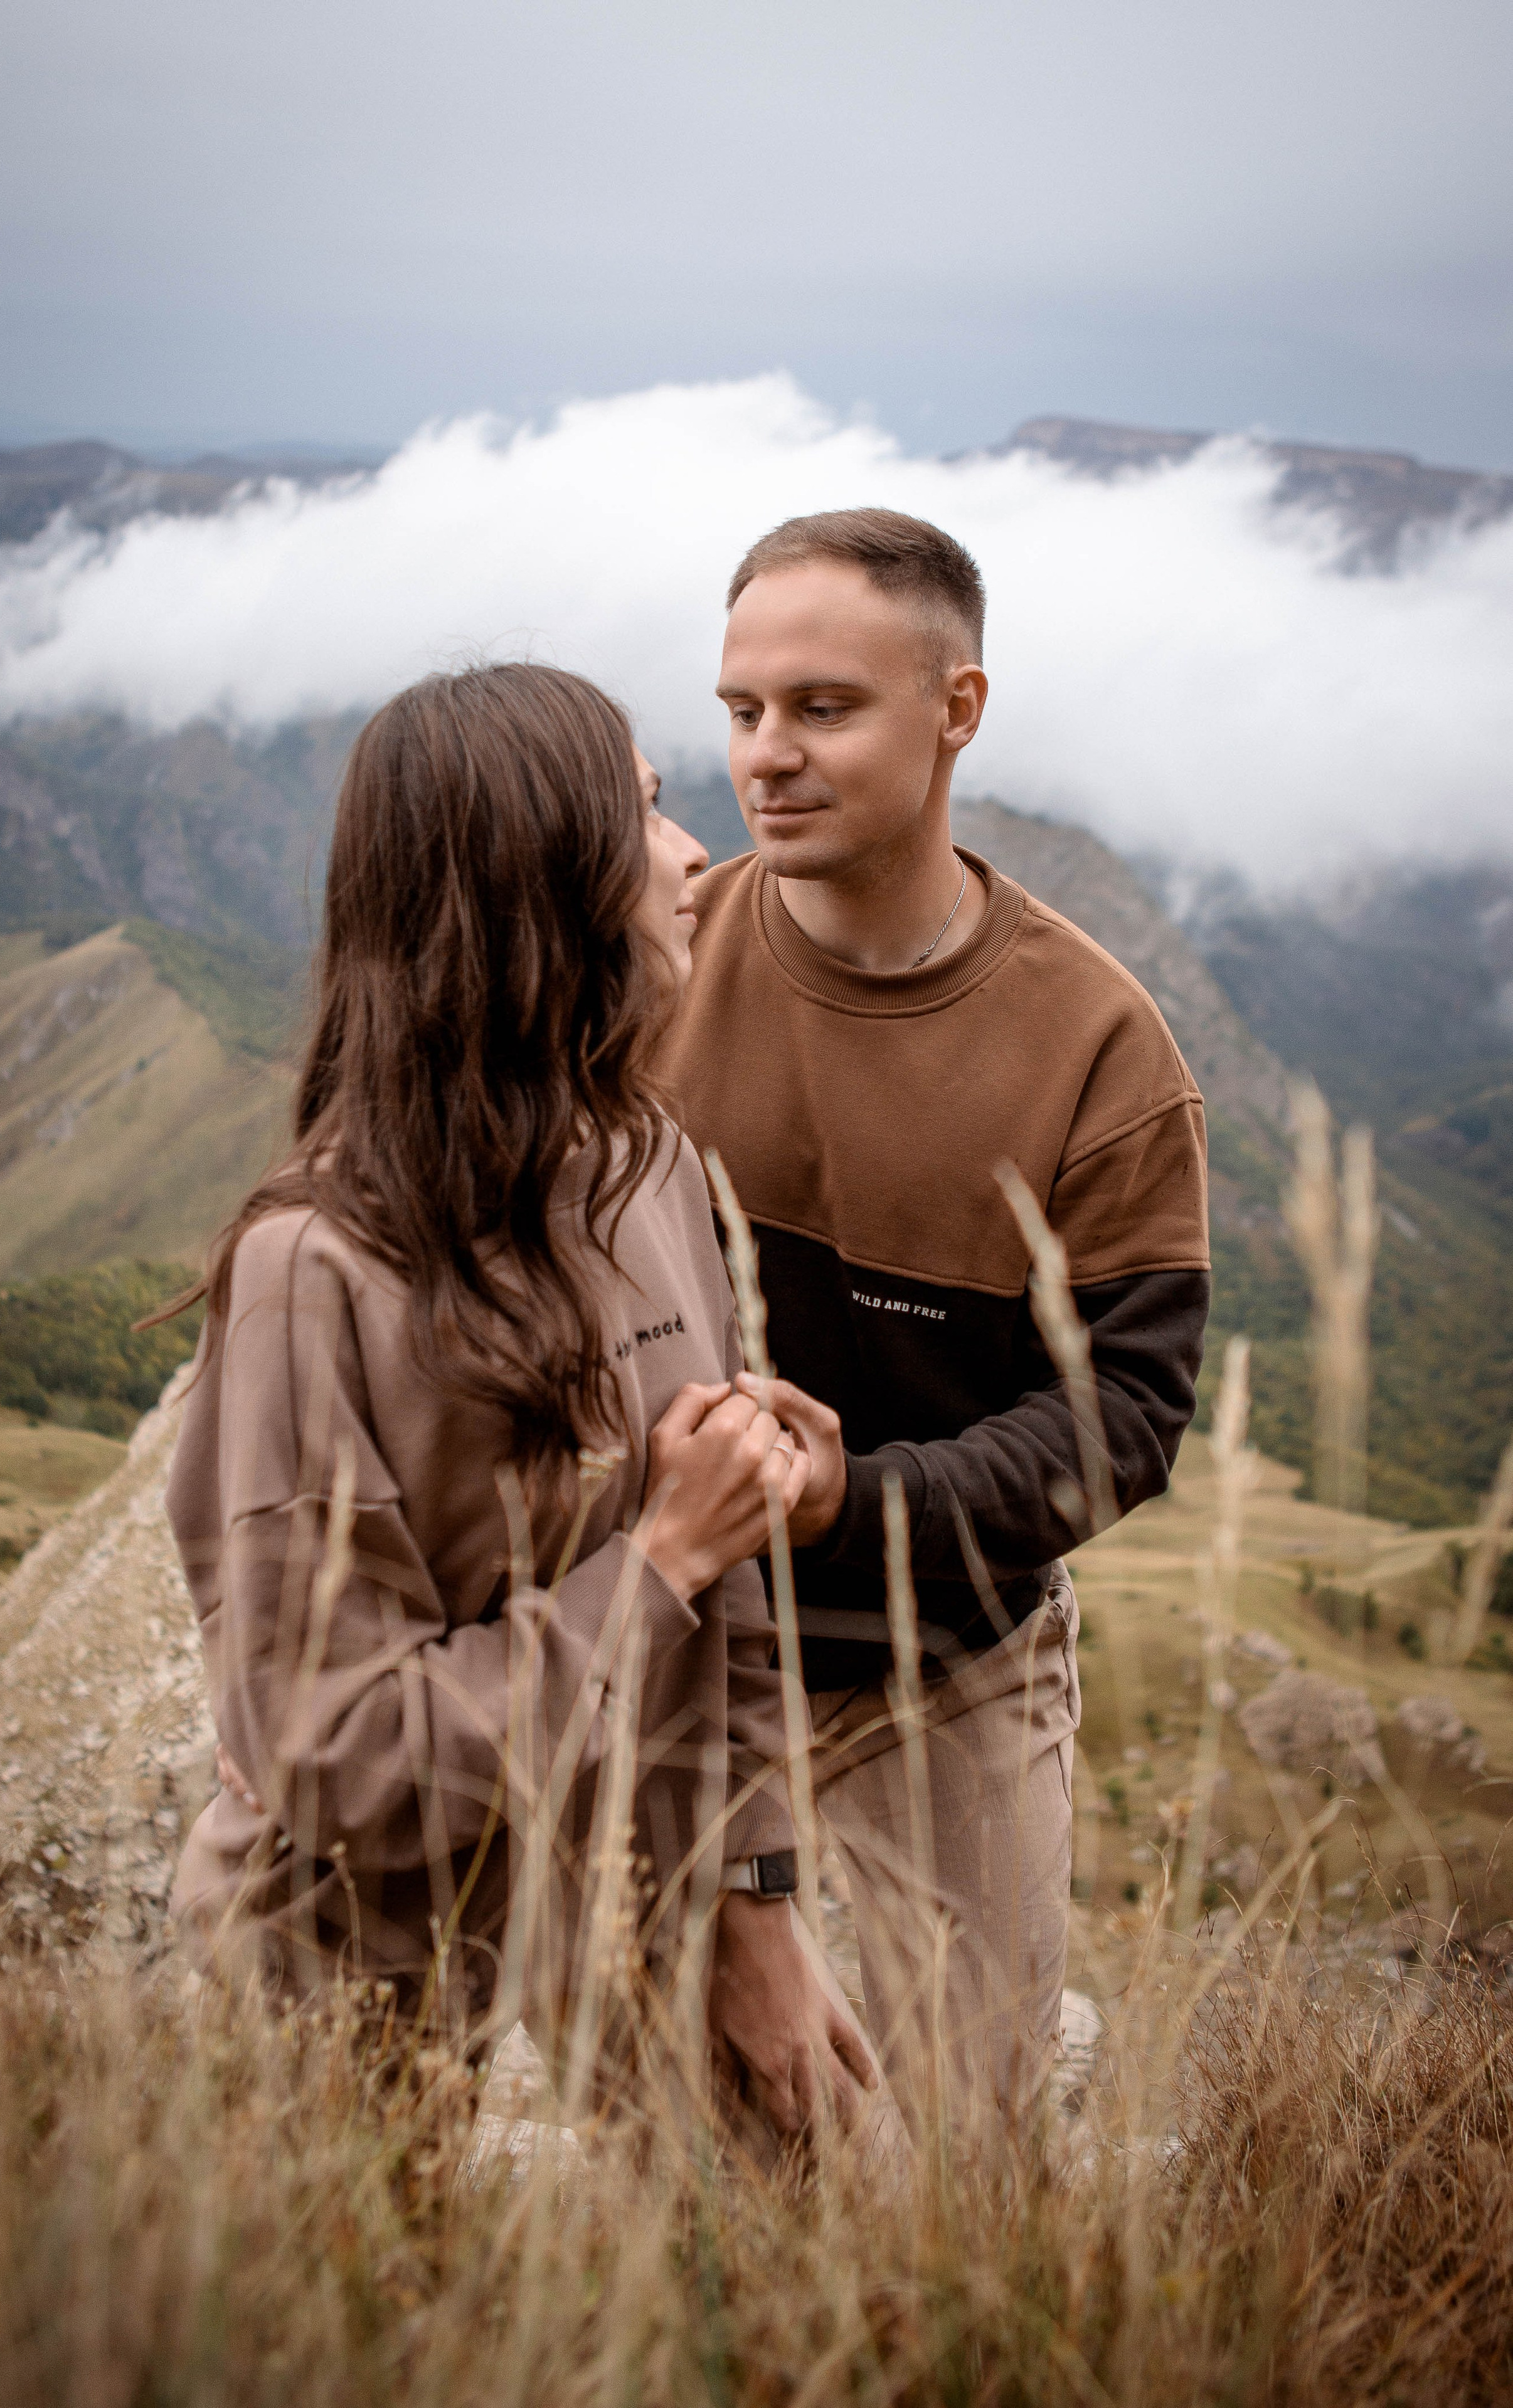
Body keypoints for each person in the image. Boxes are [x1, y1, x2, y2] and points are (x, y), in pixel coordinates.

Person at [166, 662, 874, 2135]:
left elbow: (732, 1616)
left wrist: (756, 1905)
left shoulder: (652, 1169)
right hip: (344, 1997)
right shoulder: (317, 1272)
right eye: (639, 818)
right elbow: (334, 1759)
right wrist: (661, 1558)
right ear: (534, 885)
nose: (694, 858)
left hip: (635, 1917)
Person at [661, 509, 1211, 2126]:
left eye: (823, 708)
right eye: (741, 712)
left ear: (954, 710)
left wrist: (851, 1503)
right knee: (718, 2169)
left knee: (969, 2160)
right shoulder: (656, 963)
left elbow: (1124, 1418)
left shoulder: (1096, 1045)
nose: (767, 756)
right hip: (679, 1647)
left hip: (946, 1665)